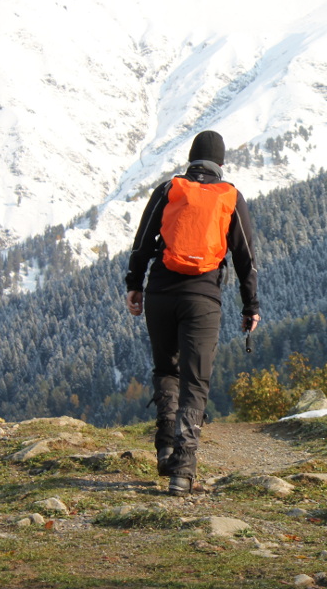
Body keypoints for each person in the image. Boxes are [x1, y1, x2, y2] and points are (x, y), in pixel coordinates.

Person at [124, 130, 261, 496]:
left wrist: (134, 285)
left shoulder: (169, 189)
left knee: (167, 369)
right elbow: (246, 258)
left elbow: (142, 242)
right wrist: (251, 306)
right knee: (195, 382)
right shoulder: (230, 196)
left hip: (161, 293)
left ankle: (166, 446)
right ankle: (182, 471)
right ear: (221, 163)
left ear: (190, 158)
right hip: (203, 298)